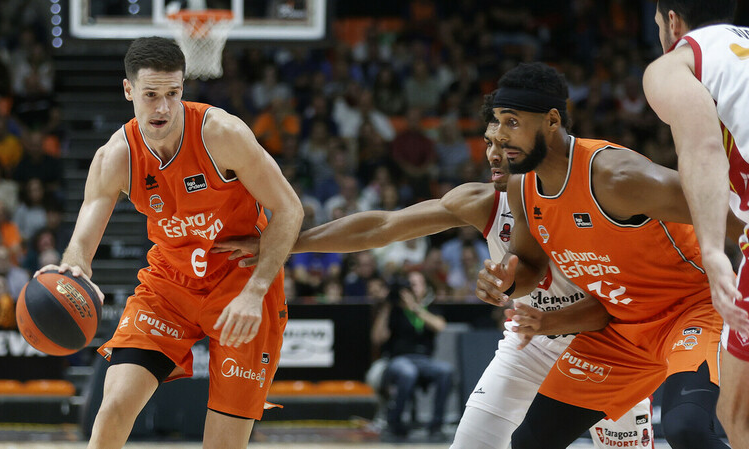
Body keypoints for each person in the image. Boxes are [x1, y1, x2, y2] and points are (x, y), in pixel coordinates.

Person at [213, 94, 653, 449]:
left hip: (607, 345)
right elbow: (382, 225)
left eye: (506, 145)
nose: (494, 155)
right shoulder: (485, 201)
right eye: (488, 143)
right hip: (531, 344)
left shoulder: (592, 198)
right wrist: (285, 242)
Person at [36, 37, 303, 449]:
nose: (162, 107)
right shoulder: (115, 157)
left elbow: (289, 210)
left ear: (183, 88)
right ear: (129, 91)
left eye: (172, 94)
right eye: (151, 95)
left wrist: (255, 292)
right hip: (170, 286)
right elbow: (80, 248)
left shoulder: (223, 134)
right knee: (112, 410)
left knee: (223, 446)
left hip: (240, 285)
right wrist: (68, 270)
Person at [475, 62, 744, 449]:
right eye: (498, 122)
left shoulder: (617, 176)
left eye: (512, 122)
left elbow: (733, 217)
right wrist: (506, 280)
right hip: (619, 329)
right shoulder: (522, 187)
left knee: (687, 430)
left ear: (552, 121)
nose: (500, 135)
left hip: (691, 311)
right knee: (530, 441)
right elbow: (529, 264)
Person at [642, 1, 749, 446]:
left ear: (671, 21)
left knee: (737, 413)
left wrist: (711, 251)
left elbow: (702, 146)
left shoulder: (675, 63)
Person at [376, 270, 453, 441]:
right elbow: (377, 338)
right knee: (407, 372)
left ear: (425, 287)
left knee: (446, 370)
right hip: (398, 360)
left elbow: (440, 326)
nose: (413, 287)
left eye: (417, 283)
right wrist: (387, 306)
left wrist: (415, 308)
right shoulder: (395, 309)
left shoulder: (430, 307)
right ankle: (394, 423)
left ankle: (436, 426)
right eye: (410, 284)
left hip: (425, 360)